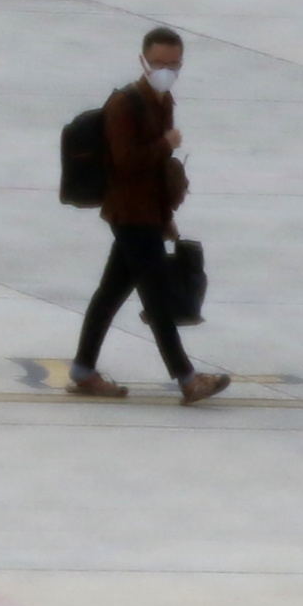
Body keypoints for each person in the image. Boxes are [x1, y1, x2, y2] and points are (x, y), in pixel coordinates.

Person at [68, 28, 229, 404]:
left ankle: (82, 369)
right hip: (129, 213)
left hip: (146, 214)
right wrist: (165, 144)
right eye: (159, 63)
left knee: (110, 294)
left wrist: (165, 215)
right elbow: (126, 162)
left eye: (173, 64)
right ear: (143, 61)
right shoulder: (125, 105)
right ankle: (188, 379)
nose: (166, 69)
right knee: (156, 298)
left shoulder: (163, 100)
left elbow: (157, 171)